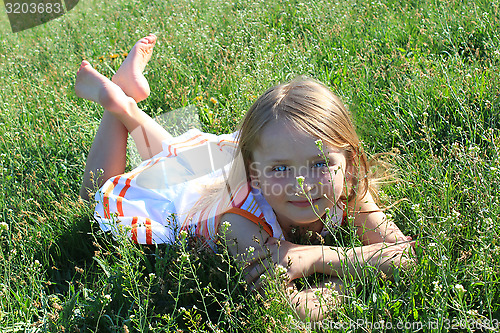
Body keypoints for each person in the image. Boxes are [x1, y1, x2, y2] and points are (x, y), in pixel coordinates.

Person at [76, 34, 414, 321]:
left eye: (320, 164)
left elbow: (408, 258)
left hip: (216, 174)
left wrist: (315, 257)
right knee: (98, 191)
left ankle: (126, 102)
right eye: (281, 168)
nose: (303, 184)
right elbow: (293, 308)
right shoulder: (240, 224)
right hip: (191, 201)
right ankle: (113, 103)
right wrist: (363, 269)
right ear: (254, 170)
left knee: (178, 158)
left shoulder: (346, 187)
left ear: (350, 163)